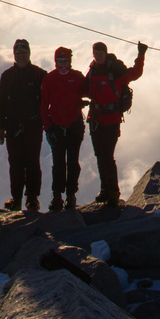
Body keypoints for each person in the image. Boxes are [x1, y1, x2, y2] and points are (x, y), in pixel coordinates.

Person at [85, 40, 146, 208]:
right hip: (96, 121)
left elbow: (135, 73)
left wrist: (141, 55)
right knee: (101, 156)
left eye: (100, 52)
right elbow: (84, 89)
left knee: (107, 156)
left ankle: (112, 192)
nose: (97, 55)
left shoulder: (115, 71)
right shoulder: (92, 71)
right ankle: (106, 190)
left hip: (111, 121)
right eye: (95, 52)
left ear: (105, 53)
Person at [0, 39, 46, 212]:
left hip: (33, 125)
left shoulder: (39, 74)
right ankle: (17, 199)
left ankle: (32, 198)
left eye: (23, 51)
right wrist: (1, 127)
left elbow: (48, 99)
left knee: (32, 162)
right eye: (17, 52)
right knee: (16, 163)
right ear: (14, 54)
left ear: (29, 53)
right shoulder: (7, 76)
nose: (20, 55)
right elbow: (1, 104)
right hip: (13, 127)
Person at [39, 46, 88, 212]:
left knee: (73, 163)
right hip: (57, 127)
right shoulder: (49, 79)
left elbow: (88, 91)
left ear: (70, 61)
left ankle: (71, 195)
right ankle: (58, 196)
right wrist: (48, 127)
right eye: (59, 61)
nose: (62, 64)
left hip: (74, 125)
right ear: (55, 61)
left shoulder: (77, 77)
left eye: (65, 60)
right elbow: (43, 105)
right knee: (59, 163)